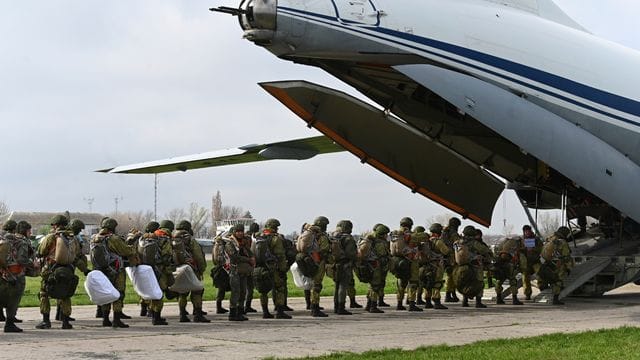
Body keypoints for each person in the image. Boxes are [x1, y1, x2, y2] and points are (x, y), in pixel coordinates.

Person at [36, 215, 89, 329]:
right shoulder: (72, 238)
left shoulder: (51, 237)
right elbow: (77, 256)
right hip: (68, 269)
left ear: (55, 225)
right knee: (65, 295)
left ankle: (46, 321)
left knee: (44, 294)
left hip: (50, 269)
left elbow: (41, 251)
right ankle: (65, 322)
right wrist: (85, 270)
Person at [92, 218, 139, 328]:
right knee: (118, 294)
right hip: (116, 270)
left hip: (101, 270)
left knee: (106, 293)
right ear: (113, 227)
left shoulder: (95, 238)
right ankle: (116, 320)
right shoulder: (113, 238)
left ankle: (105, 319)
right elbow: (125, 251)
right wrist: (132, 245)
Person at [172, 220, 210, 323]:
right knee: (197, 292)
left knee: (182, 293)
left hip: (178, 269)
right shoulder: (191, 240)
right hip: (192, 269)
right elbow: (198, 256)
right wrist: (201, 269)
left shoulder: (172, 238)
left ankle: (182, 314)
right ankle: (198, 315)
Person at [138, 220, 174, 325]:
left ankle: (151, 313)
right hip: (159, 270)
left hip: (145, 270)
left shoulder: (145, 238)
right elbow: (166, 257)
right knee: (159, 294)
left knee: (151, 291)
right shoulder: (165, 239)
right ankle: (156, 317)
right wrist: (169, 272)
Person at [253, 218, 291, 319]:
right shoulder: (276, 238)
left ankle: (265, 312)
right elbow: (280, 255)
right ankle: (279, 311)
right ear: (274, 227)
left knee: (264, 290)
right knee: (280, 288)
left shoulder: (258, 237)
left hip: (260, 267)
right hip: (273, 268)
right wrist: (283, 269)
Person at [0, 220, 33, 332]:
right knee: (13, 300)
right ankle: (9, 324)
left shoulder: (3, 240)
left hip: (2, 274)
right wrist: (33, 264)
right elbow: (21, 259)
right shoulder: (21, 243)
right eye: (29, 231)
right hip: (16, 275)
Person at [453, 225, 491, 308]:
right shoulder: (474, 243)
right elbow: (485, 250)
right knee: (479, 282)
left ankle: (465, 301)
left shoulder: (457, 242)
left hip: (461, 266)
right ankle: (478, 302)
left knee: (466, 282)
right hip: (474, 266)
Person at [390, 217, 422, 312]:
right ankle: (412, 304)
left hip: (398, 261)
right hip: (411, 262)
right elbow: (419, 243)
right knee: (413, 282)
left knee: (401, 283)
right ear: (410, 225)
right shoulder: (411, 235)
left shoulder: (394, 235)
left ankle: (399, 304)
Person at [224, 224, 255, 321]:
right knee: (236, 292)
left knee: (243, 291)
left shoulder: (244, 242)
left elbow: (249, 252)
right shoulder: (230, 243)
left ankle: (240, 311)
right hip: (235, 270)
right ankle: (233, 313)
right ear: (234, 232)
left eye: (241, 231)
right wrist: (248, 260)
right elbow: (234, 257)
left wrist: (252, 258)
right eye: (238, 231)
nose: (240, 233)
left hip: (243, 271)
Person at [539, 226, 574, 305]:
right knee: (558, 280)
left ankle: (544, 294)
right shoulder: (562, 242)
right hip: (557, 264)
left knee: (546, 279)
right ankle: (555, 299)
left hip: (545, 263)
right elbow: (566, 256)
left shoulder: (549, 239)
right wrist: (568, 268)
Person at [360, 224, 390, 313]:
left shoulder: (372, 241)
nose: (386, 236)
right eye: (385, 234)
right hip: (376, 266)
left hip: (371, 266)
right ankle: (373, 306)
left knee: (372, 285)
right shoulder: (379, 243)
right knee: (375, 286)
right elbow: (382, 255)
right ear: (382, 234)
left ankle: (368, 305)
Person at [330, 220, 358, 315]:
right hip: (345, 265)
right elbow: (351, 253)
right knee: (343, 286)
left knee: (337, 286)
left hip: (334, 265)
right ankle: (341, 308)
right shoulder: (348, 238)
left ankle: (336, 306)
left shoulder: (333, 237)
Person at [421, 223, 450, 310]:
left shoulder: (426, 241)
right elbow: (446, 252)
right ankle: (437, 302)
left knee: (428, 283)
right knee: (437, 283)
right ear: (438, 232)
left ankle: (428, 302)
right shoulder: (438, 241)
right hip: (436, 266)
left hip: (426, 266)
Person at [493, 235, 524, 305]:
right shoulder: (516, 244)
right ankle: (515, 299)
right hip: (509, 264)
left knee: (499, 281)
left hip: (500, 263)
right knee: (513, 281)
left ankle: (498, 298)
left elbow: (497, 253)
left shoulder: (504, 242)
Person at [519, 225, 543, 300]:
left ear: (530, 231)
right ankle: (527, 294)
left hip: (535, 261)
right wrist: (523, 249)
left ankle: (543, 289)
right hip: (526, 262)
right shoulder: (521, 240)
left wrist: (534, 249)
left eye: (528, 231)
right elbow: (518, 249)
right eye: (525, 231)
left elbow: (542, 249)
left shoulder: (536, 239)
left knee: (540, 274)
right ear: (524, 232)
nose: (527, 233)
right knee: (525, 278)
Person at [442, 217, 462, 303]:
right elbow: (458, 244)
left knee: (450, 276)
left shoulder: (444, 231)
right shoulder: (453, 233)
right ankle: (448, 295)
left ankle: (452, 294)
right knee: (452, 276)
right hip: (451, 257)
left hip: (443, 257)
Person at [244, 222, 260, 313]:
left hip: (246, 265)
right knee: (249, 287)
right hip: (250, 264)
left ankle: (245, 306)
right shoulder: (253, 239)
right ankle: (247, 306)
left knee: (245, 288)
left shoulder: (245, 238)